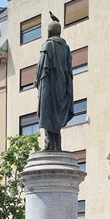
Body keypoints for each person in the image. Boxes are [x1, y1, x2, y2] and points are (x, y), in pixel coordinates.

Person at [35, 16, 73, 150]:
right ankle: (57, 145)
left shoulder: (47, 45)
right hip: (61, 86)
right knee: (56, 118)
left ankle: (48, 144)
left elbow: (41, 66)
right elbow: (69, 71)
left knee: (47, 114)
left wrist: (36, 80)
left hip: (49, 85)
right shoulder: (66, 48)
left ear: (49, 31)